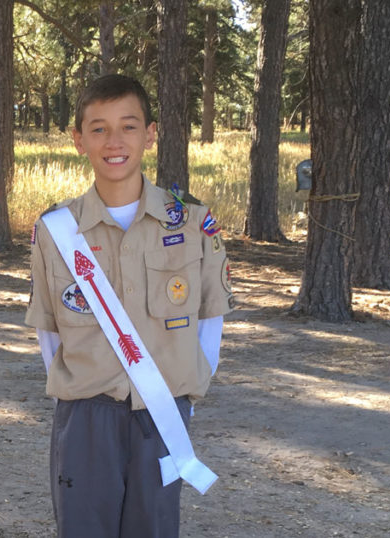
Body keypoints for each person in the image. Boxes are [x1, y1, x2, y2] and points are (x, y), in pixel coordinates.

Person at [25, 74, 234, 537]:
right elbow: (50, 334)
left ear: (150, 133)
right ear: (78, 139)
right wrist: (85, 389)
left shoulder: (192, 221)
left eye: (129, 126)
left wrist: (181, 397)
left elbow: (209, 322)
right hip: (86, 417)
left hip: (163, 415)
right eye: (98, 128)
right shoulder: (57, 230)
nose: (114, 141)